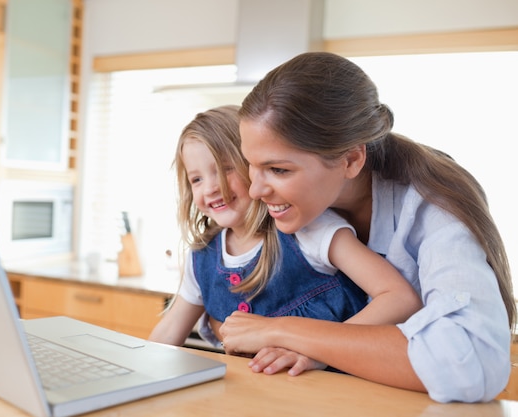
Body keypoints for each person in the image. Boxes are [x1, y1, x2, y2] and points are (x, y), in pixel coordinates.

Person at [218, 51, 515, 403]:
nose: (255, 190)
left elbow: (470, 364)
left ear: (351, 160)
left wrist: (284, 331)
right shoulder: (302, 211)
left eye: (279, 170)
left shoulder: (431, 205)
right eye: (252, 165)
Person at [148, 104, 421, 350]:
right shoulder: (203, 256)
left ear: (256, 166)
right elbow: (170, 330)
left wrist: (323, 349)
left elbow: (399, 298)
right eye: (196, 179)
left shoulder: (311, 230)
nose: (211, 188)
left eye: (225, 169)